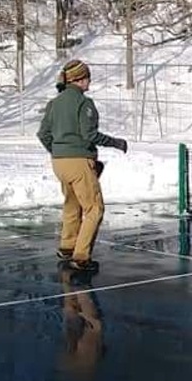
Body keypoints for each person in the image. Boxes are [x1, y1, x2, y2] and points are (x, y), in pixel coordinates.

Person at [37, 59, 128, 272]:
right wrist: (115, 142)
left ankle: (67, 246)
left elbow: (42, 134)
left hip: (59, 162)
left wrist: (58, 150)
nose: (90, 82)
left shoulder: (54, 103)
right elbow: (90, 134)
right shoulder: (83, 103)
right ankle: (81, 256)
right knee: (94, 208)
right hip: (79, 161)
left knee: (72, 203)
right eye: (88, 77)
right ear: (80, 79)